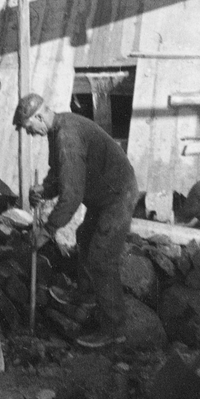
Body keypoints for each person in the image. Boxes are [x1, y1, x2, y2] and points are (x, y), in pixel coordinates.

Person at [12, 92, 139, 349]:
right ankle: (86, 294)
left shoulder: (67, 137)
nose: (30, 133)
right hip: (104, 196)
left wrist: (47, 231)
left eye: (29, 127)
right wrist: (44, 190)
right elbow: (60, 175)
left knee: (101, 258)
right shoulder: (58, 129)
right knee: (84, 236)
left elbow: (71, 196)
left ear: (39, 116)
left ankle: (114, 329)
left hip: (117, 195)